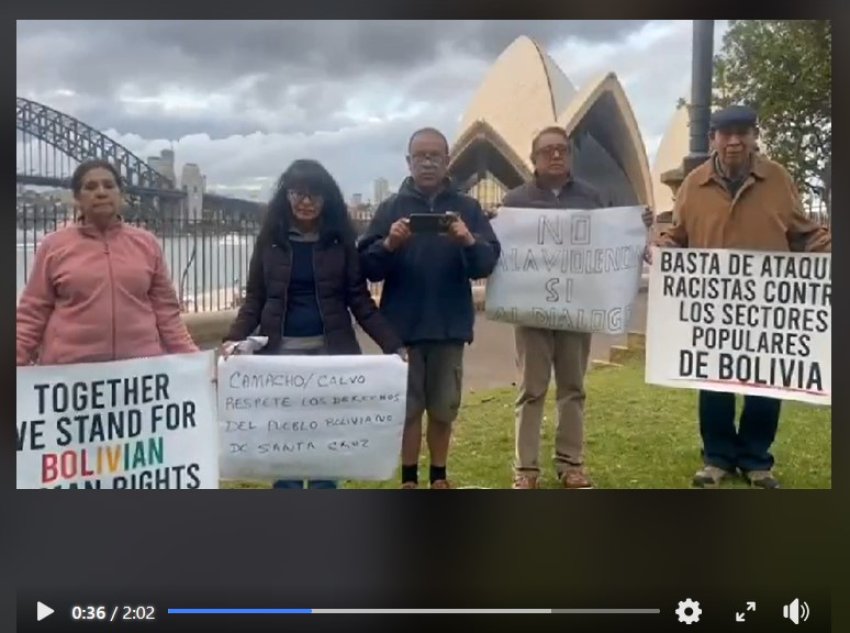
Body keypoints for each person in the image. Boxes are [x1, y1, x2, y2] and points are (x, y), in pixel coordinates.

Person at [654, 105, 831, 489]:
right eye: (726, 133)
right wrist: (664, 246)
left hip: (768, 304)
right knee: (714, 382)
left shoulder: (777, 180)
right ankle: (716, 458)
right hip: (711, 306)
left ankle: (756, 460)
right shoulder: (694, 184)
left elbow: (802, 232)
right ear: (712, 139)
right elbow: (677, 233)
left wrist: (826, 247)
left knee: (765, 384)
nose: (735, 141)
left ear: (754, 136)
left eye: (743, 133)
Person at [222, 159, 405, 490]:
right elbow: (255, 300)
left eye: (314, 195)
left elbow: (359, 300)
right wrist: (232, 340)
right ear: (286, 196)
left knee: (326, 442)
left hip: (330, 355)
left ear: (327, 200)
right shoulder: (270, 242)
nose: (306, 202)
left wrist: (392, 344)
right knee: (286, 441)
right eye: (298, 193)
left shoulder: (340, 243)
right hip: (280, 359)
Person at [500, 126, 653, 490]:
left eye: (563, 150)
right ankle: (526, 470)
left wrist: (633, 229)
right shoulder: (515, 201)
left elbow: (607, 245)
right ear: (533, 158)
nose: (556, 156)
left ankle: (571, 464)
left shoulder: (591, 197)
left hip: (576, 306)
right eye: (548, 150)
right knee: (531, 388)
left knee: (572, 386)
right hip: (531, 311)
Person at [358, 127, 501, 489]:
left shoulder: (467, 208)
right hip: (402, 329)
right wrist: (389, 244)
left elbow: (487, 261)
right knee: (407, 411)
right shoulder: (391, 207)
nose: (427, 162)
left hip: (449, 326)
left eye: (435, 155)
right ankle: (409, 479)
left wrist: (468, 240)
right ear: (408, 162)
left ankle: (438, 476)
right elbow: (365, 266)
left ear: (447, 160)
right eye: (420, 156)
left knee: (443, 408)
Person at [16, 159, 198, 366]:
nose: (101, 192)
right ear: (77, 198)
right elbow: (32, 315)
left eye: (109, 186)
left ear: (121, 195)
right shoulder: (53, 246)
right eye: (90, 187)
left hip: (140, 375)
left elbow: (168, 315)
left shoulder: (147, 244)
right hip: (69, 376)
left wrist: (197, 364)